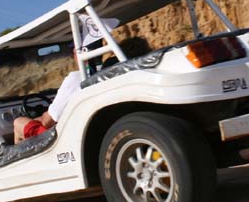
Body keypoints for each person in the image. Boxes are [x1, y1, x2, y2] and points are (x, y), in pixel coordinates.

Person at [13, 36, 153, 142]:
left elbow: (48, 122)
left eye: (73, 47)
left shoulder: (77, 78)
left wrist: (37, 117)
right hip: (110, 128)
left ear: (80, 51)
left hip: (68, 139)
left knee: (18, 122)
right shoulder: (126, 74)